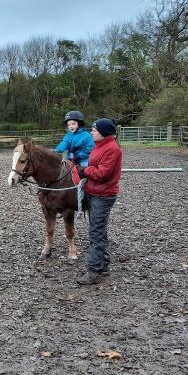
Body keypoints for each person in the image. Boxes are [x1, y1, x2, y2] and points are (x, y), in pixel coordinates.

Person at [76, 118, 122, 285]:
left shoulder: (111, 149)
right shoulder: (100, 145)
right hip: (93, 192)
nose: (91, 132)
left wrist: (85, 171)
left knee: (96, 232)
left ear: (104, 132)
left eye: (94, 130)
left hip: (102, 195)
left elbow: (103, 174)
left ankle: (94, 271)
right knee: (98, 230)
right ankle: (103, 265)